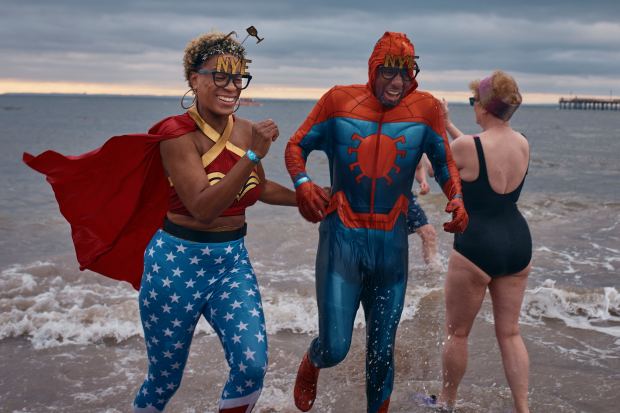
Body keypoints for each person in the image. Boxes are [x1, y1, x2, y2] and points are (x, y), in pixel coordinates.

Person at [24, 31, 297, 413]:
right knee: (164, 379)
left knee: (252, 366)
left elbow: (259, 188)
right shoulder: (175, 134)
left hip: (231, 263)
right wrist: (252, 155)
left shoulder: (248, 130)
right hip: (176, 265)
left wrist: (311, 198)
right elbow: (203, 207)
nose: (231, 86)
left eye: (238, 78)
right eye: (220, 76)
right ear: (194, 79)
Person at [284, 31, 469, 413]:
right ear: (373, 68)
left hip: (390, 246)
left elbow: (445, 161)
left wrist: (457, 197)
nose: (398, 83)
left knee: (382, 353)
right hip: (342, 240)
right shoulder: (338, 101)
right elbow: (295, 145)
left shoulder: (427, 108)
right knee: (336, 347)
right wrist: (303, 184)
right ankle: (313, 360)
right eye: (389, 72)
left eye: (407, 74)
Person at [436, 71, 531, 412]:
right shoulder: (522, 142)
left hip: (477, 245)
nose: (472, 107)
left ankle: (446, 402)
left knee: (458, 333)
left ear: (485, 106)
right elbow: (480, 153)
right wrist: (450, 126)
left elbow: (440, 167)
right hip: (518, 242)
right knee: (510, 333)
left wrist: (439, 126)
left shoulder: (467, 147)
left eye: (473, 101)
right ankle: (523, 407)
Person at [407, 154, 438, 266]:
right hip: (377, 197)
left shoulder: (413, 139)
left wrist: (423, 181)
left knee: (428, 233)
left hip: (404, 196)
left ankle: (433, 274)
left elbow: (418, 167)